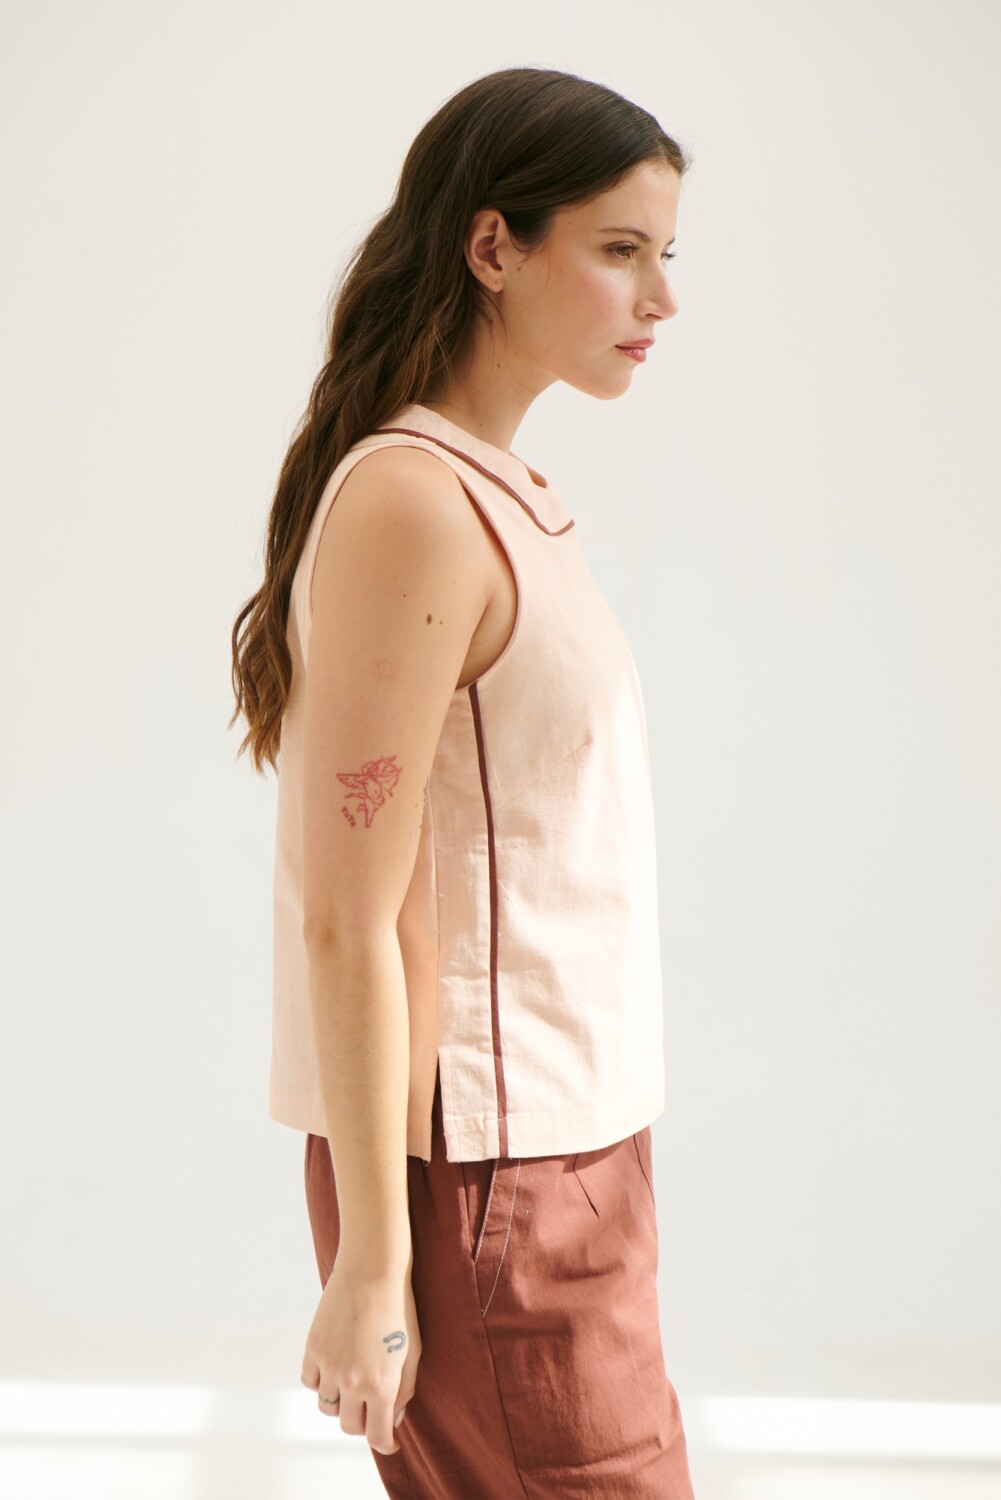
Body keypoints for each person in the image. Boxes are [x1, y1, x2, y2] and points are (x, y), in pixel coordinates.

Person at [230, 65, 696, 1499]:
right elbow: (350, 914)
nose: (661, 298)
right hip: (487, 1174)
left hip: (564, 1148)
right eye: (619, 249)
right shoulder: (413, 504)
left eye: (664, 253)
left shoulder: (492, 497)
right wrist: (377, 1264)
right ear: (493, 246)